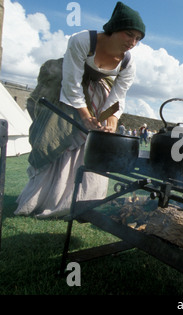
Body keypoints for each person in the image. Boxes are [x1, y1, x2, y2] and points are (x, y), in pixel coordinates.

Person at [15, 2, 145, 219]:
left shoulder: (128, 63)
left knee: (95, 141)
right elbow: (71, 84)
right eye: (128, 34)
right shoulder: (82, 40)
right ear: (113, 29)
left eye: (137, 39)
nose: (132, 43)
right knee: (60, 137)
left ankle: (81, 202)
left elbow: (117, 97)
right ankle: (47, 200)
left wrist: (110, 120)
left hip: (99, 95)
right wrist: (85, 117)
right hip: (67, 89)